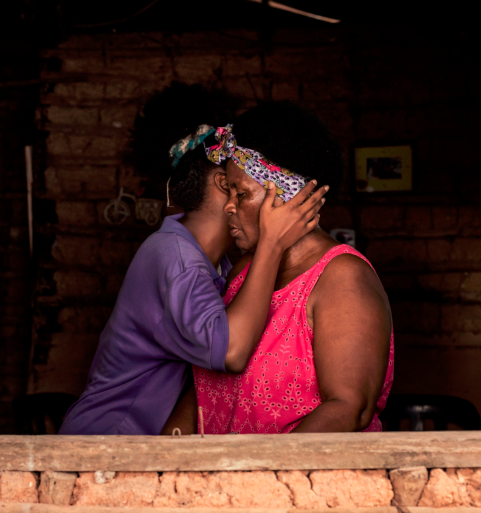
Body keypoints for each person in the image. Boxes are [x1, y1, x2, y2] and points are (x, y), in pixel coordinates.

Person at [58, 85, 328, 435]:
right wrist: (272, 246)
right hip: (105, 448)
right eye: (240, 184)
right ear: (223, 184)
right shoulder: (172, 255)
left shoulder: (218, 266)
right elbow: (230, 352)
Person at [165, 101, 394, 434]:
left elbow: (347, 409)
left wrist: (261, 479)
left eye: (241, 194)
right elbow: (206, 389)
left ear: (288, 198)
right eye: (228, 191)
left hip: (290, 483)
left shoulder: (342, 279)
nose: (228, 206)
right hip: (220, 481)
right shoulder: (244, 271)